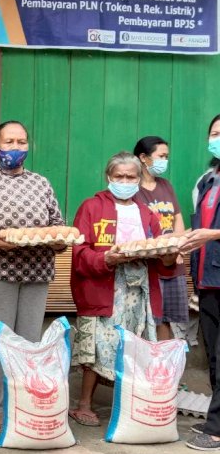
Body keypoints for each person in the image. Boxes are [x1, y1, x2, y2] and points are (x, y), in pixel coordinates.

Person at [0, 121, 66, 434]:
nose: (16, 148)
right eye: (9, 142)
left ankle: (25, 401)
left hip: (36, 273)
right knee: (0, 343)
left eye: (21, 142)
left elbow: (57, 224)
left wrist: (59, 239)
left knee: (29, 345)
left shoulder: (41, 184)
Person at [69, 151, 175, 427]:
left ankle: (127, 402)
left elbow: (161, 258)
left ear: (139, 179)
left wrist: (167, 255)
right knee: (97, 344)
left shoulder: (146, 214)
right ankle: (83, 404)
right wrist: (106, 259)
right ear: (109, 177)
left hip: (137, 292)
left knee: (131, 345)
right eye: (119, 176)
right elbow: (79, 252)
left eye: (131, 176)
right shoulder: (91, 207)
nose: (125, 181)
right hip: (104, 287)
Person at [181, 114, 220, 450]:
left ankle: (218, 427)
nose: (217, 138)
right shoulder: (207, 181)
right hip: (208, 279)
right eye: (215, 133)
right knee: (212, 357)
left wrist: (214, 233)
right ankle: (215, 417)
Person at [133, 136, 189, 340]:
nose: (165, 161)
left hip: (172, 261)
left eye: (167, 156)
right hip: (148, 264)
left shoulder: (166, 185)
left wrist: (179, 247)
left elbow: (177, 217)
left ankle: (162, 369)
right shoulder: (133, 188)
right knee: (148, 317)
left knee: (166, 318)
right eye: (161, 156)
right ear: (143, 158)